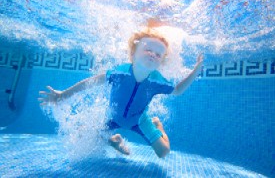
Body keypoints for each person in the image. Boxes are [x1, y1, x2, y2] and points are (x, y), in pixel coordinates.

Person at [38, 22, 203, 158]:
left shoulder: (156, 81)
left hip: (140, 121)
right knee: (84, 136)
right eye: (148, 49)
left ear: (160, 62)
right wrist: (63, 95)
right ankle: (113, 139)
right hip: (113, 117)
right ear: (133, 53)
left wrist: (195, 70)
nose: (153, 55)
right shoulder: (120, 73)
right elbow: (91, 81)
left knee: (163, 152)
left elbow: (178, 90)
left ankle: (156, 124)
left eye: (158, 54)